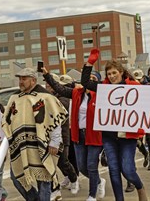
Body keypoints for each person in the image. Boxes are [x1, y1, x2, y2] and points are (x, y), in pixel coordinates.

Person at [82, 48, 148, 201]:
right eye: (109, 74)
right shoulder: (103, 88)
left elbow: (145, 109)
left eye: (114, 73)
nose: (111, 76)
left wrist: (142, 130)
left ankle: (140, 187)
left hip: (128, 137)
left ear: (121, 72)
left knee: (128, 170)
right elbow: (85, 82)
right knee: (113, 170)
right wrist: (90, 63)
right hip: (109, 137)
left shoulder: (134, 87)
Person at [1, 68, 68, 200]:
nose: (21, 81)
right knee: (17, 178)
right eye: (20, 79)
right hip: (20, 145)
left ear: (33, 80)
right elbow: (7, 119)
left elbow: (54, 119)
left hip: (41, 144)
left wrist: (55, 142)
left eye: (24, 79)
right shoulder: (14, 98)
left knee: (43, 179)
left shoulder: (46, 97)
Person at [42, 68, 106, 201]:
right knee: (82, 167)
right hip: (79, 136)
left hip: (94, 136)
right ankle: (100, 181)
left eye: (93, 80)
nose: (90, 82)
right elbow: (59, 88)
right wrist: (47, 75)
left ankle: (92, 195)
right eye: (88, 79)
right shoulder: (76, 93)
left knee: (91, 166)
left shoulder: (102, 96)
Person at [45, 73, 79, 201]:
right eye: (46, 83)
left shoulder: (62, 99)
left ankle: (74, 179)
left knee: (63, 161)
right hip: (48, 137)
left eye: (50, 83)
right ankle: (59, 184)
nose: (47, 85)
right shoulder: (47, 97)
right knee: (54, 164)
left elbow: (58, 112)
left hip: (62, 136)